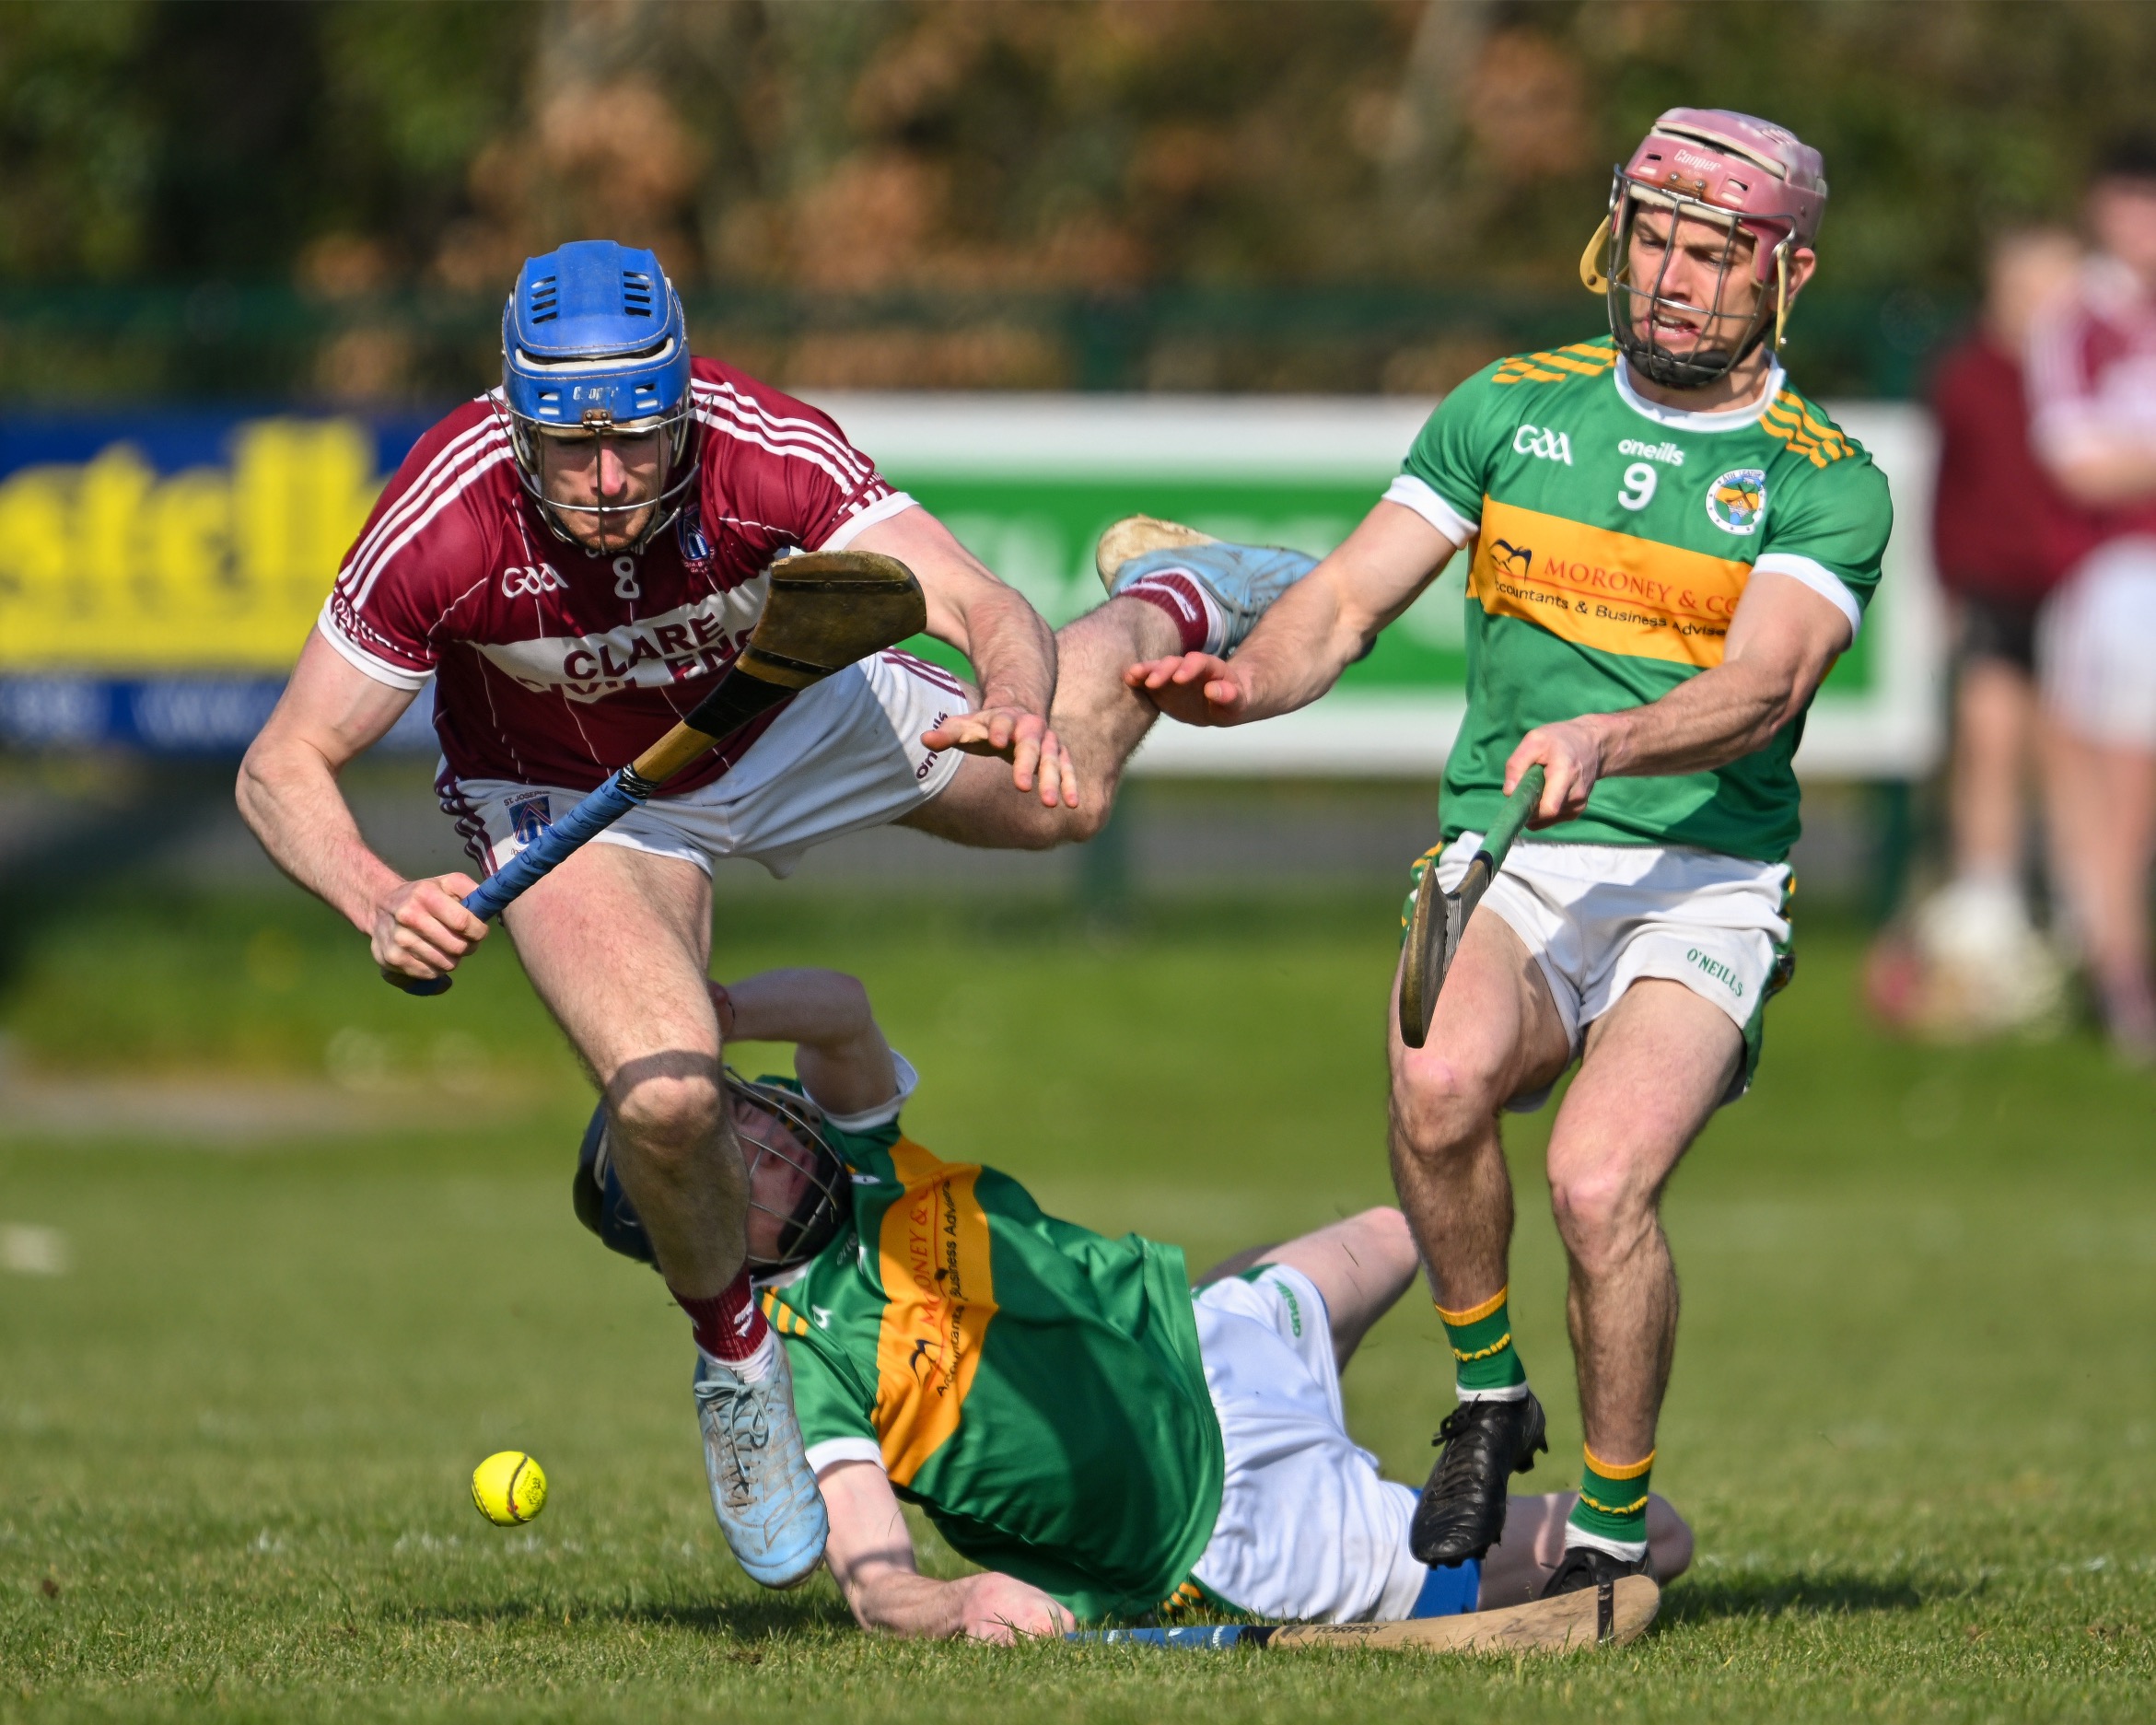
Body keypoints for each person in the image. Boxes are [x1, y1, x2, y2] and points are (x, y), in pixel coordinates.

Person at [234, 240, 1309, 1588]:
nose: (609, 480)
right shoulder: (444, 519)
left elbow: (975, 599)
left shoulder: (763, 450)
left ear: (682, 407)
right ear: (516, 425)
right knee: (668, 1093)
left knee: (1065, 800)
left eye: (636, 440)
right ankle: (737, 1360)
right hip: (573, 798)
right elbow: (281, 763)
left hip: (783, 716)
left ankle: (1173, 595)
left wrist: (1015, 701)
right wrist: (378, 896)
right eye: (573, 449)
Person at [1124, 111, 1891, 1596]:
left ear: (1785, 274)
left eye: (1712, 254)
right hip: (1515, 856)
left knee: (1598, 1183)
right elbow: (1343, 603)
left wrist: (1612, 737)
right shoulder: (1507, 410)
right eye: (1653, 239)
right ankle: (1489, 1394)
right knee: (1436, 1080)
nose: (1670, 279)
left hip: (1702, 879)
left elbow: (1763, 688)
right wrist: (1243, 683)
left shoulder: (1823, 476)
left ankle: (1607, 1529)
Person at [571, 965, 1693, 1635]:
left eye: (743, 1107)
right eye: (731, 1154)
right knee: (1653, 1536)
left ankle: (1433, 1398)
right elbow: (877, 1583)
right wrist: (958, 1604)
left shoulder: (866, 1161)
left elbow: (841, 1011)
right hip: (1231, 1523)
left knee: (1418, 1230)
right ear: (697, 1232)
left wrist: (702, 1013)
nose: (765, 1133)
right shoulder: (799, 1365)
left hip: (1208, 1339)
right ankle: (1388, 1525)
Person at [1888, 227, 2085, 1037]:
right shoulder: (1965, 375)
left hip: (2077, 592)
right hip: (1993, 590)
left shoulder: (2089, 368)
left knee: (2070, 758)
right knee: (1989, 744)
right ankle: (1988, 909)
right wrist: (1945, 588)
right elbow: (1946, 492)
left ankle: (2079, 915)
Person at [2025, 136, 2156, 1061]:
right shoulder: (2076, 320)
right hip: (2121, 578)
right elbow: (2077, 463)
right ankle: (2120, 978)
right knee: (2120, 790)